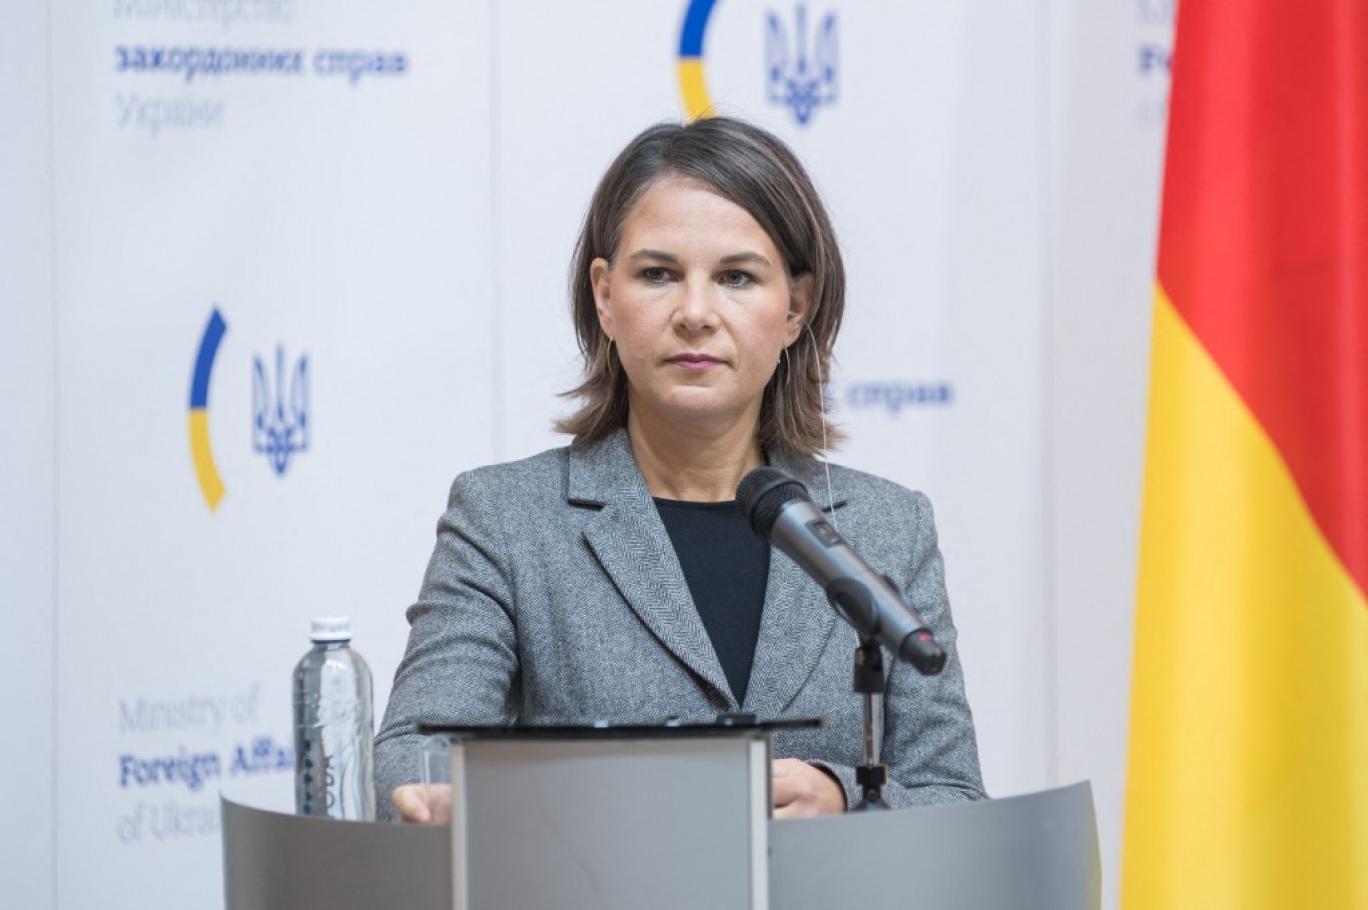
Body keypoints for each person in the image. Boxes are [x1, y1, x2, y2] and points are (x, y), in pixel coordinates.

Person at [375, 116, 985, 823]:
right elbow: (411, 761)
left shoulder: (888, 528)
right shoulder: (505, 519)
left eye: (736, 277)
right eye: (658, 275)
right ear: (605, 297)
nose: (695, 313)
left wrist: (845, 798)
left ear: (796, 307)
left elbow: (955, 799)